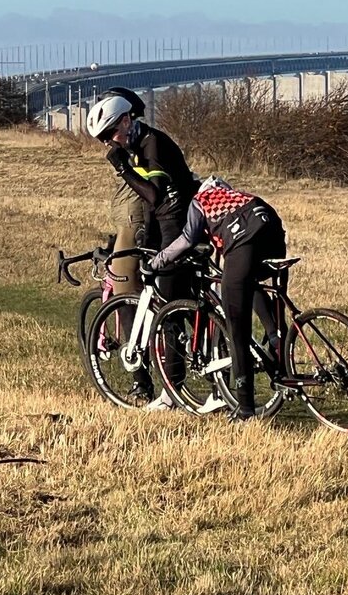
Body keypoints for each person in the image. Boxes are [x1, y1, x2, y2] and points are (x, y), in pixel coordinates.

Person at [86, 87, 200, 407]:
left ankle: (154, 386)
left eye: (109, 134)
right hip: (160, 225)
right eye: (102, 139)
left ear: (125, 120)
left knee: (155, 302)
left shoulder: (149, 144)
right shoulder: (137, 144)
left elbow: (154, 195)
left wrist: (122, 167)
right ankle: (169, 383)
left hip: (167, 226)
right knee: (173, 301)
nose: (107, 143)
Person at [150, 176, 287, 421]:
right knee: (247, 281)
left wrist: (157, 262)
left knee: (237, 327)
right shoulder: (236, 196)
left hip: (245, 237)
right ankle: (277, 339)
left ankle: (245, 409)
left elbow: (186, 240)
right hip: (271, 229)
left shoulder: (200, 201)